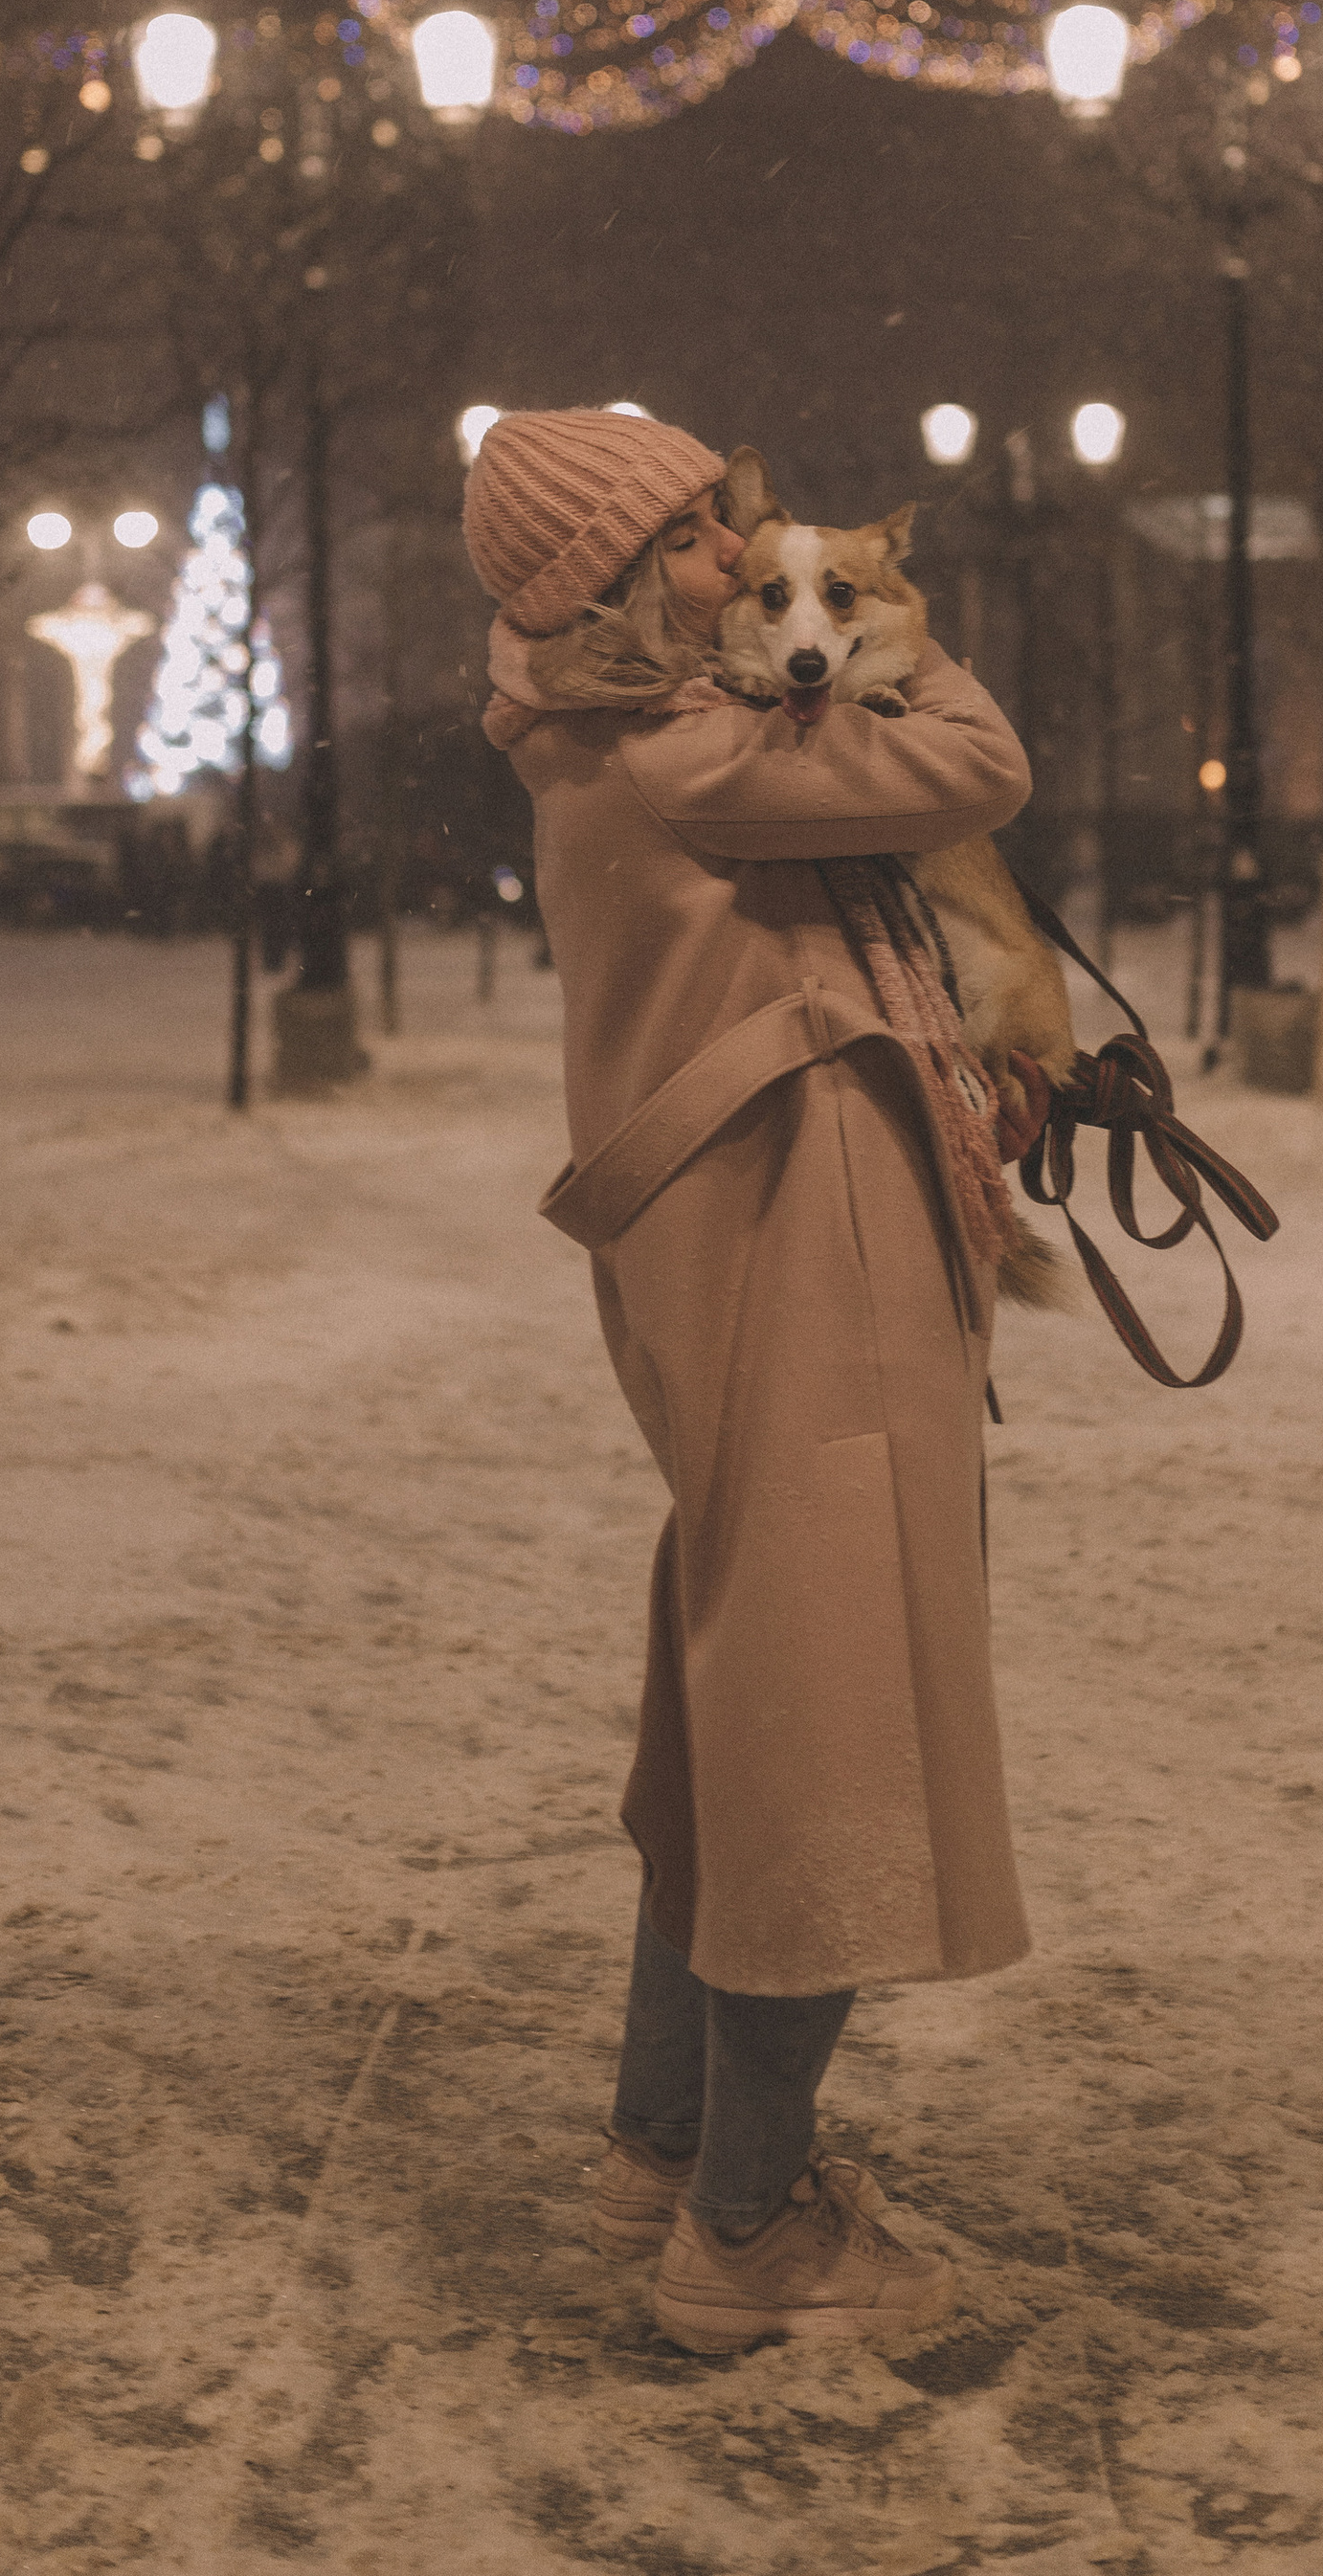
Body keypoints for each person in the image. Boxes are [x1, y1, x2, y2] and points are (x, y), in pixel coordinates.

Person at [464, 406, 1035, 2353]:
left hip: (761, 1236)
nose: (738, 546)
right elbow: (975, 760)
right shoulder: (686, 749)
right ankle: (747, 2231)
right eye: (700, 530)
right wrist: (895, 614)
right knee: (822, 1720)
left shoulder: (636, 731)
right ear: (615, 582)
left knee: (744, 1703)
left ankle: (663, 2143)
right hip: (796, 1239)